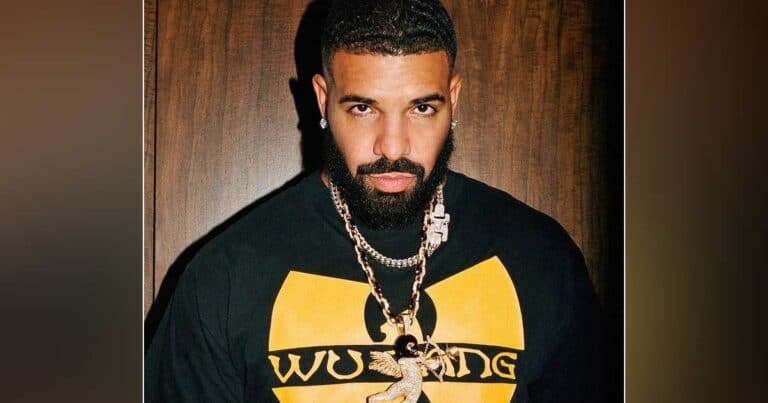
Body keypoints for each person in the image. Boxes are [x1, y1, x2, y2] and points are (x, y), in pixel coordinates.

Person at [145, 0, 605, 401]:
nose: (392, 146)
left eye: (422, 108)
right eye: (363, 108)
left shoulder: (540, 258)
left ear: (453, 99)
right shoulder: (228, 275)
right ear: (323, 100)